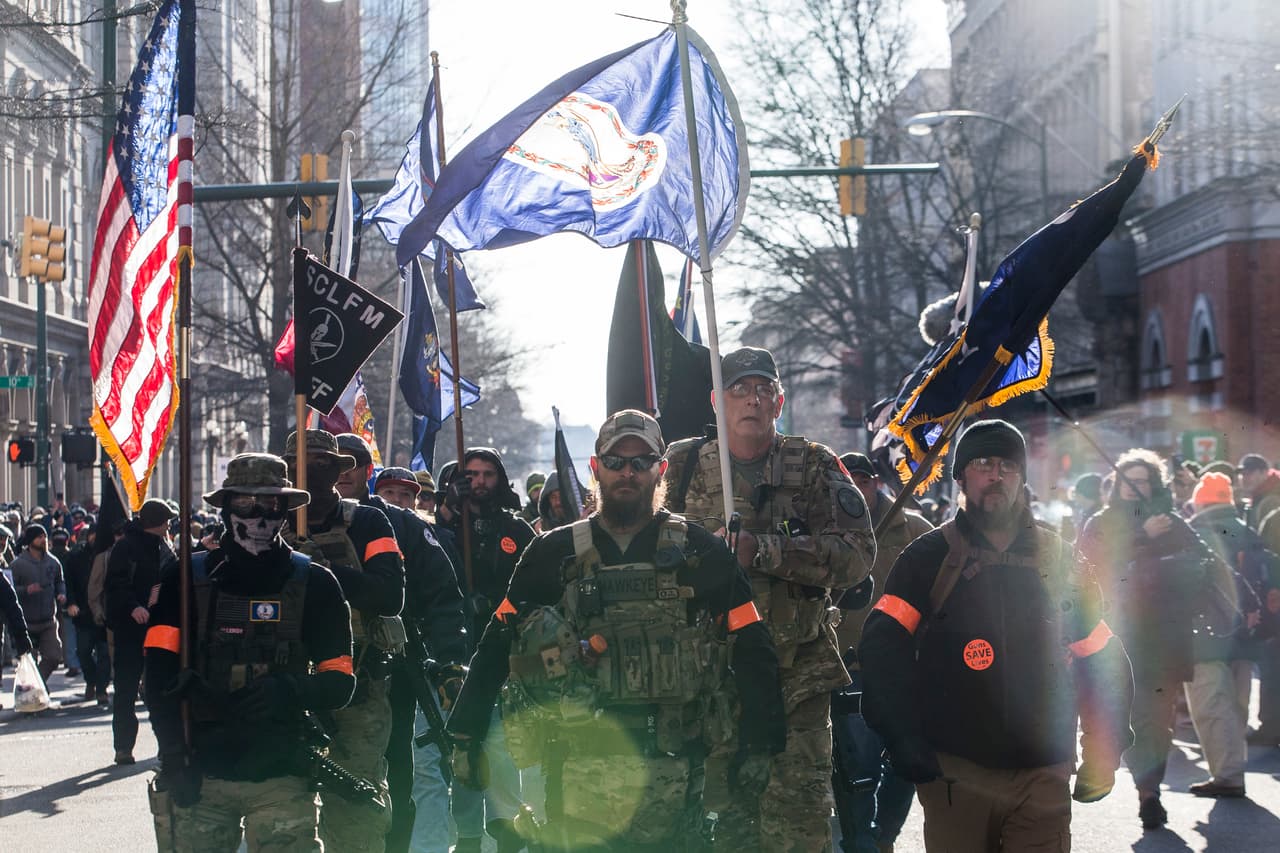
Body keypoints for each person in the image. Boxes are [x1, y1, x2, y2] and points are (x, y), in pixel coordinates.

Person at [447, 409, 787, 849]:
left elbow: (752, 647)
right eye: (615, 461)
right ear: (595, 467)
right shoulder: (552, 553)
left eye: (641, 461)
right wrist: (466, 735)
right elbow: (497, 642)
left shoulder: (700, 553)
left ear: (660, 469)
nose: (628, 472)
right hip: (575, 770)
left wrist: (761, 743)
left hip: (678, 768)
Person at [861, 420, 1134, 852]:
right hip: (954, 772)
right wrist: (902, 737)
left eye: (1007, 465)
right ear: (960, 476)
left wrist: (1105, 747)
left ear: (1022, 477)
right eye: (983, 463)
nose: (996, 475)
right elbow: (881, 650)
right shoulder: (928, 558)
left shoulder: (1060, 559)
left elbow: (1100, 656)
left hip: (1043, 772)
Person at [662, 346, 876, 853]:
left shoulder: (815, 465)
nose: (752, 400)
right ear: (718, 402)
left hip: (795, 677)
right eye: (740, 389)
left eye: (763, 390)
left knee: (797, 828)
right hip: (709, 679)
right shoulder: (680, 465)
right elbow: (638, 545)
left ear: (779, 403)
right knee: (721, 829)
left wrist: (765, 551)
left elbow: (858, 555)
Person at [143, 453, 356, 851]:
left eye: (271, 504)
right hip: (202, 770)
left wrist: (290, 690)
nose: (258, 515)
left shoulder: (316, 584)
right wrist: (172, 756)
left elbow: (340, 681)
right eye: (245, 503)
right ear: (225, 508)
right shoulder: (184, 581)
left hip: (282, 773)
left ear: (285, 511)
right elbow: (155, 679)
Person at [334, 433, 468, 853]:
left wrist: (449, 662)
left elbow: (442, 594)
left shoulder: (398, 523)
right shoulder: (280, 521)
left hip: (383, 673)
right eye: (325, 463)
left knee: (394, 778)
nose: (340, 471)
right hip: (300, 678)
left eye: (351, 461)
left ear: (366, 470)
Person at [284, 429, 405, 852]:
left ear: (337, 472)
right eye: (302, 466)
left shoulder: (367, 522)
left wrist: (326, 571)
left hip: (357, 689)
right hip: (285, 689)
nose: (311, 475)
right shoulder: (269, 525)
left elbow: (389, 594)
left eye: (321, 465)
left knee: (355, 809)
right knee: (283, 815)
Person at [1078, 448, 1209, 830]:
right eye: (1128, 480)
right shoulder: (1101, 521)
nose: (1135, 488)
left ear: (1155, 484)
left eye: (1144, 481)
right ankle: (1143, 787)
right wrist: (1141, 537)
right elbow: (1088, 569)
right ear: (1116, 484)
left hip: (1164, 637)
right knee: (1132, 717)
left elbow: (1203, 561)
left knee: (1159, 720)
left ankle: (1150, 790)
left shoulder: (1171, 520)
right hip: (1118, 637)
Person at [435, 447, 537, 852]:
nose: (479, 482)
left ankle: (507, 825)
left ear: (500, 479)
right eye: (471, 474)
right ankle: (467, 836)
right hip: (455, 648)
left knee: (501, 743)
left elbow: (536, 584)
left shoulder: (516, 530)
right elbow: (426, 559)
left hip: (502, 650)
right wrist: (446, 510)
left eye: (487, 474)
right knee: (462, 743)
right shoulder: (445, 526)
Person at [833, 452, 931, 853]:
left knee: (905, 766)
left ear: (876, 482)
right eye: (848, 480)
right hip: (849, 666)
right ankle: (864, 843)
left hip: (905, 671)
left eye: (865, 479)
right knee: (859, 769)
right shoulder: (824, 529)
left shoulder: (916, 529)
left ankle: (885, 834)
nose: (857, 487)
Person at [1185, 471, 1262, 797]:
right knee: (1237, 703)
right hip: (1247, 632)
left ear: (1199, 500)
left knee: (1211, 706)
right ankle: (1233, 768)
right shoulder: (1247, 531)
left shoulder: (1194, 533)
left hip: (1205, 636)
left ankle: (1228, 775)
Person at [106, 498, 176, 764]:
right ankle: (124, 747)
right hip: (130, 629)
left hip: (159, 628)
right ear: (156, 523)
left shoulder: (165, 547)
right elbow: (116, 584)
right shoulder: (125, 548)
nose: (169, 525)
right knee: (125, 689)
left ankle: (167, 743)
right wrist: (133, 606)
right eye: (166, 520)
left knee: (160, 689)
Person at [10, 524, 67, 687]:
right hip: (27, 622)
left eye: (44, 536)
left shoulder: (53, 562)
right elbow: (10, 588)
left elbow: (59, 581)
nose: (43, 540)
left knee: (54, 656)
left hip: (49, 621)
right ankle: (32, 696)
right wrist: (26, 590)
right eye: (39, 537)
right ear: (30, 541)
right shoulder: (18, 564)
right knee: (29, 661)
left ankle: (36, 685)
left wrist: (61, 594)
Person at [63, 525, 111, 706]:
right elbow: (69, 581)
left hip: (104, 613)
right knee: (83, 651)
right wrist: (71, 603)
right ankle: (91, 681)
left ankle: (101, 689)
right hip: (83, 613)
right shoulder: (76, 556)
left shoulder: (109, 556)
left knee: (105, 654)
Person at [1239, 453, 1280, 530]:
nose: (1245, 478)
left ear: (1264, 473)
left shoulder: (1273, 501)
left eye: (1249, 473)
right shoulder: (1256, 497)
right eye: (1242, 474)